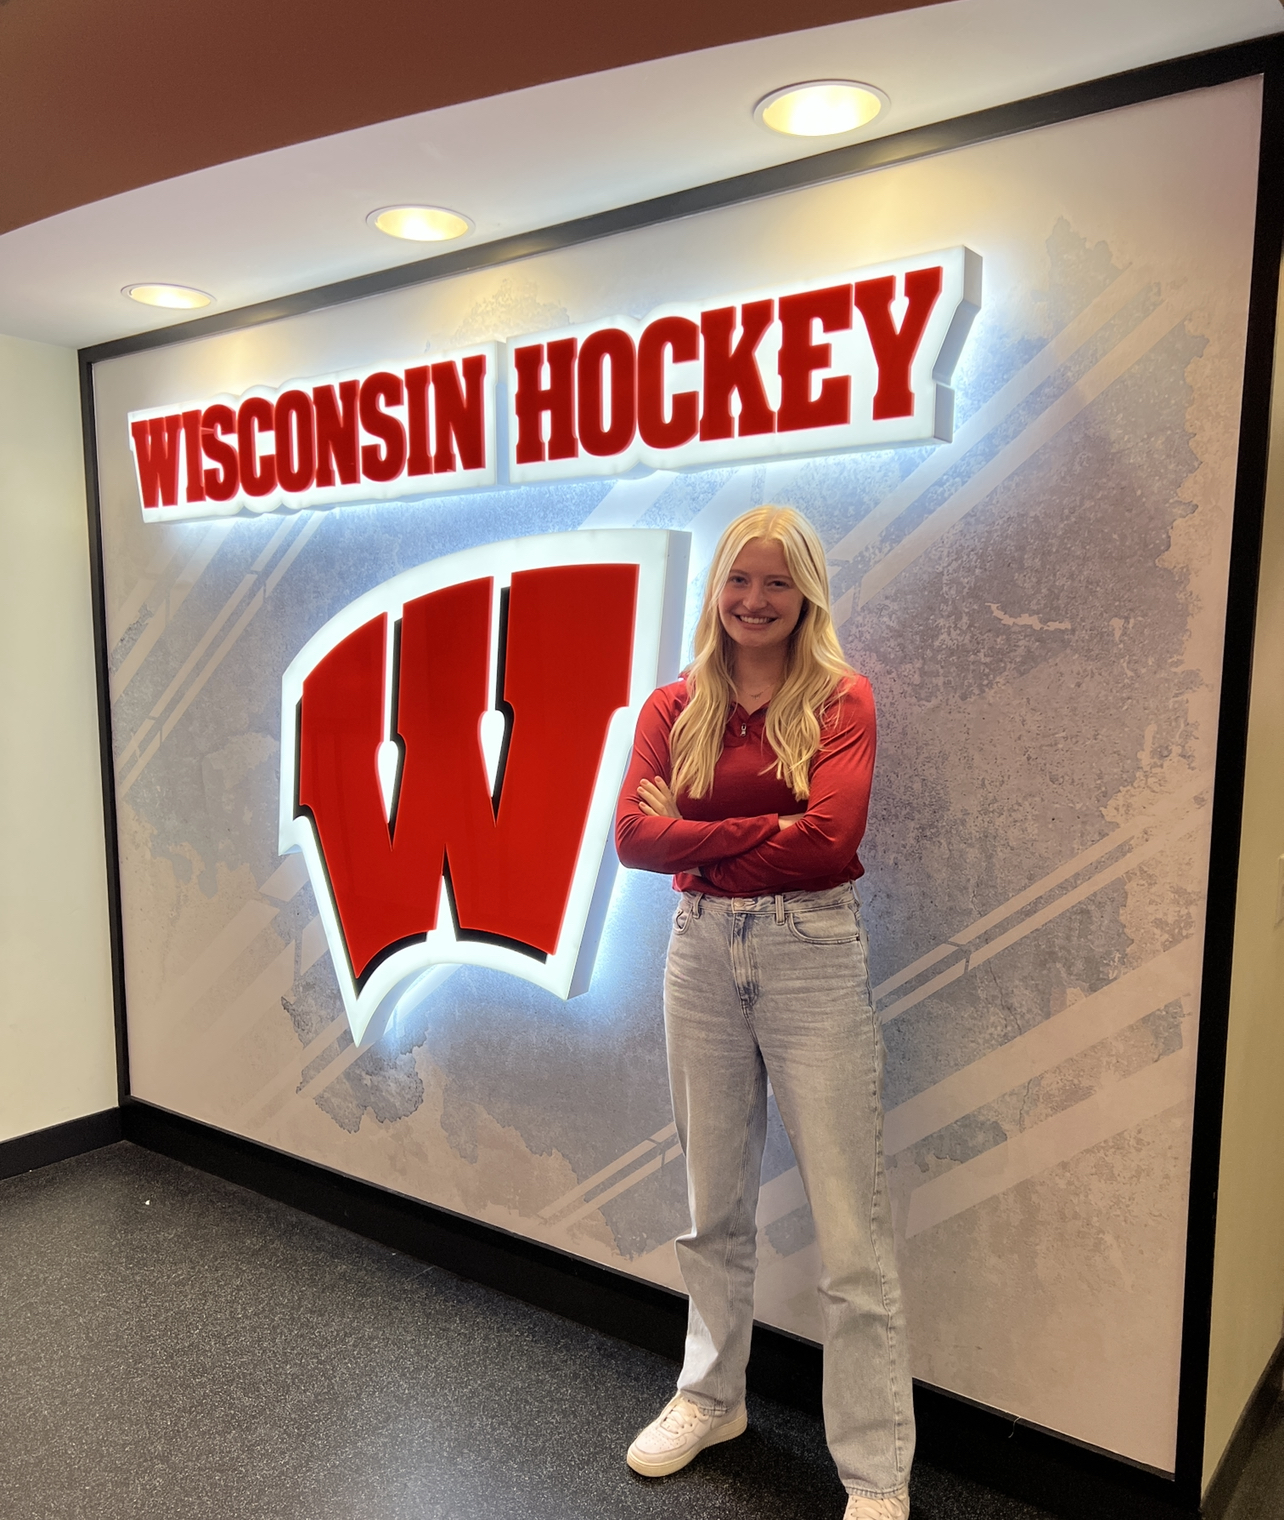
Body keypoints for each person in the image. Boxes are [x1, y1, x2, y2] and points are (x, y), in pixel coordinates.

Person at [614, 505, 914, 1519]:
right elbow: (631, 837)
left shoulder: (841, 698)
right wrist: (754, 828)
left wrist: (698, 837)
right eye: (738, 580)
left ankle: (876, 1472)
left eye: (775, 582)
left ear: (806, 594)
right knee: (713, 1207)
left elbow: (829, 842)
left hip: (812, 952)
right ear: (716, 592)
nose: (754, 599)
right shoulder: (672, 706)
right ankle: (710, 1395)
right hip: (698, 952)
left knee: (852, 1233)